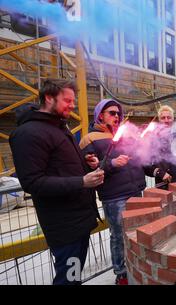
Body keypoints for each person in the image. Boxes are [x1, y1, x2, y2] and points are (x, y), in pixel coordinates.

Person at [9, 79, 104, 285]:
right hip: (65, 228)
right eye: (67, 101)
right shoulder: (28, 134)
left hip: (78, 221)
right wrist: (82, 181)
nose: (72, 105)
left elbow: (61, 167)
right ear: (49, 98)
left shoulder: (59, 126)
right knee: (68, 279)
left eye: (73, 101)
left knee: (74, 276)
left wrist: (86, 163)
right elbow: (33, 182)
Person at [79, 99, 153, 285]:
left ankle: (136, 265)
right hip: (115, 196)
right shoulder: (89, 139)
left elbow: (139, 159)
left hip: (136, 189)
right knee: (119, 236)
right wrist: (112, 163)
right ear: (100, 115)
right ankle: (121, 273)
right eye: (112, 113)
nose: (117, 116)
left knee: (137, 232)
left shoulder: (124, 134)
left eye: (118, 113)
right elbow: (89, 171)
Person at [146, 105, 176, 188]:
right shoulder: (152, 140)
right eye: (163, 118)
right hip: (163, 186)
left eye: (169, 117)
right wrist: (159, 172)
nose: (166, 120)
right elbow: (146, 165)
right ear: (159, 120)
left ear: (173, 120)